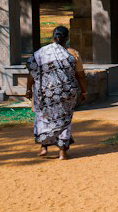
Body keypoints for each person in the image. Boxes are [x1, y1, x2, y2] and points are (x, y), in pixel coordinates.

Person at [25, 25, 87, 159]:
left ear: (53, 37)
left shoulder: (41, 53)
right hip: (66, 94)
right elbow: (80, 75)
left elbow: (31, 74)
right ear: (67, 38)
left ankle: (44, 147)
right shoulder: (73, 53)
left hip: (44, 94)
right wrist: (84, 91)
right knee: (64, 120)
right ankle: (62, 152)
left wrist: (28, 89)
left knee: (43, 118)